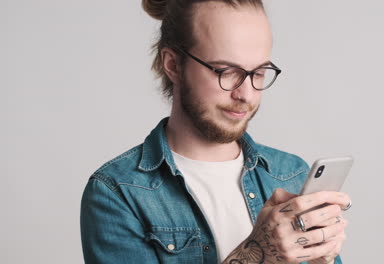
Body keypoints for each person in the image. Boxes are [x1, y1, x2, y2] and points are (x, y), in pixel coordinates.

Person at [80, 0, 352, 263]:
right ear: (173, 65)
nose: (246, 94)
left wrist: (321, 261)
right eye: (225, 71)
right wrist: (259, 252)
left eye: (258, 73)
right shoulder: (117, 192)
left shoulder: (290, 173)